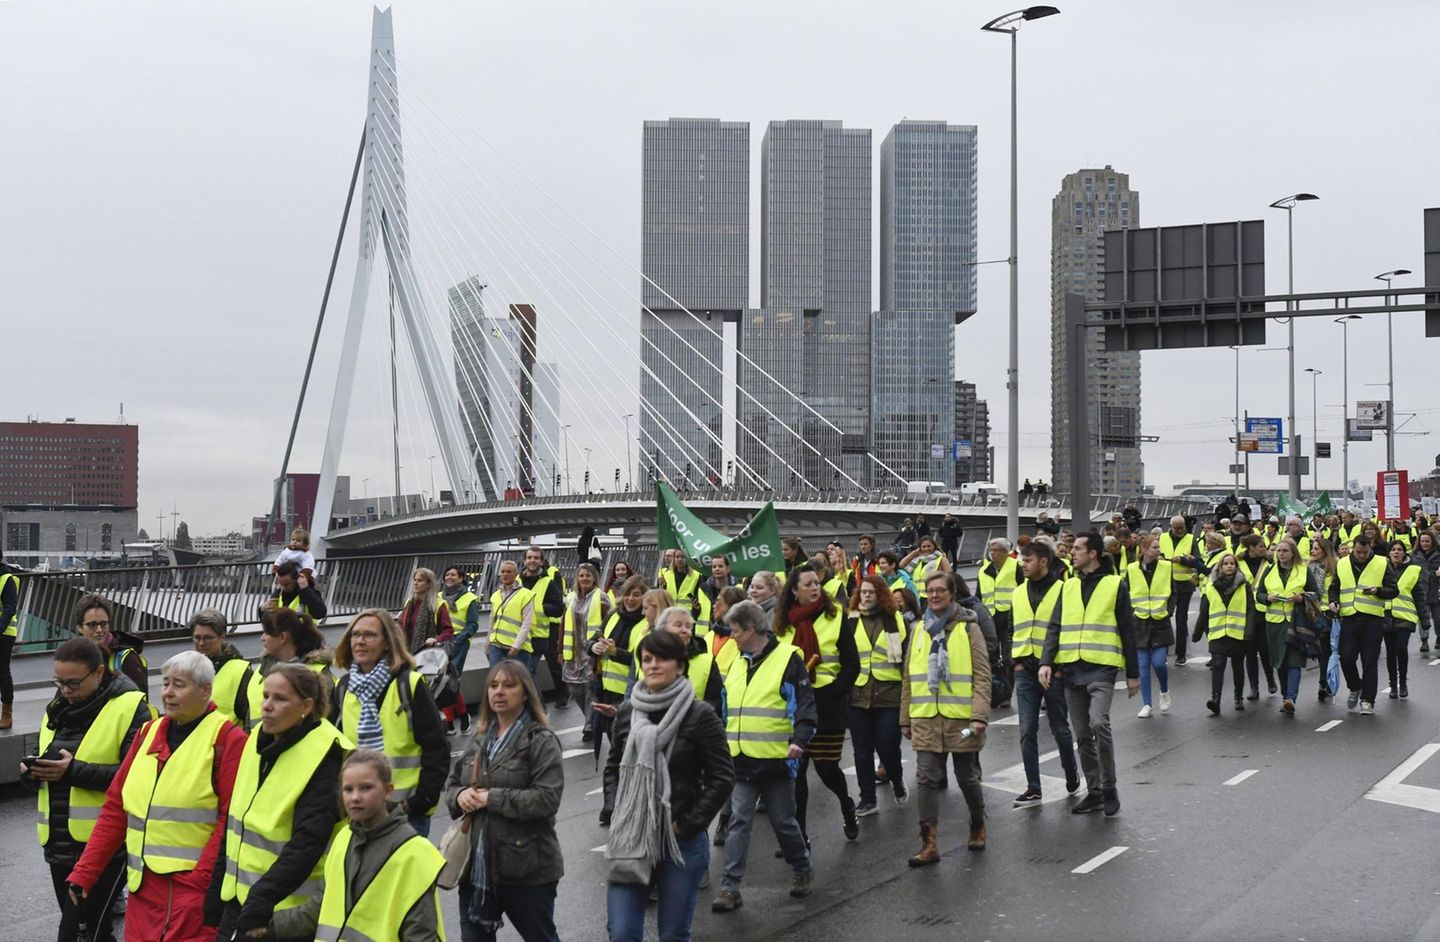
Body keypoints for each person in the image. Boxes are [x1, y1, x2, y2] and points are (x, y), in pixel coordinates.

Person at [69, 651, 247, 942]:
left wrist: (200, 883)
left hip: (191, 898)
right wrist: (85, 873)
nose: (168, 693)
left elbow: (231, 823)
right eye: (165, 684)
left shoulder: (228, 740)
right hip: (143, 893)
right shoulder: (147, 734)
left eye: (179, 684)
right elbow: (116, 808)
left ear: (205, 691)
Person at [605, 630, 734, 942]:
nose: (652, 665)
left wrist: (688, 823)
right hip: (632, 837)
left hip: (680, 842)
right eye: (646, 659)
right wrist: (615, 809)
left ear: (680, 665)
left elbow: (723, 776)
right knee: (621, 932)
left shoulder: (700, 714)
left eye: (661, 658)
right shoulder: (627, 712)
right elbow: (612, 768)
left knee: (674, 934)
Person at [210, 662, 348, 938]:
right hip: (240, 900)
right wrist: (216, 891)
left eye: (280, 699)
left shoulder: (325, 754)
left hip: (284, 912)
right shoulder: (258, 740)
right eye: (265, 696)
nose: (267, 706)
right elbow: (237, 820)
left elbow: (307, 843)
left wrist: (261, 900)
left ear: (306, 706)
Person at [26, 637, 150, 942]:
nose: (65, 690)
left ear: (98, 672)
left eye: (73, 683)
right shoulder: (57, 706)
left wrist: (72, 772)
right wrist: (31, 771)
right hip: (58, 843)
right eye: (59, 681)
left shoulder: (131, 706)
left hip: (106, 846)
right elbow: (44, 753)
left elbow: (137, 778)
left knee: (73, 934)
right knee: (94, 931)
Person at [268, 749, 444, 940]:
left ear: (388, 791)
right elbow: (319, 907)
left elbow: (420, 932)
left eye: (366, 788)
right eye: (348, 789)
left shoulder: (414, 853)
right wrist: (267, 927)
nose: (355, 797)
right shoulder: (343, 838)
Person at [447, 659, 564, 942]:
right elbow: (452, 786)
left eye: (509, 686)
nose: (499, 692)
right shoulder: (479, 739)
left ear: (525, 693)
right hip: (477, 869)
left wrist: (491, 798)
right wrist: (461, 796)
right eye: (493, 686)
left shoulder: (541, 740)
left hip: (526, 869)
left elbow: (546, 800)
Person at [712, 600, 816, 913]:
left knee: (783, 822)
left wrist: (799, 740)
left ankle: (801, 868)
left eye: (735, 630)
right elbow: (726, 709)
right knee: (739, 821)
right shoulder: (738, 662)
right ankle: (730, 887)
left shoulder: (788, 660)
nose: (731, 636)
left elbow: (805, 705)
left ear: (752, 629)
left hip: (776, 759)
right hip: (741, 759)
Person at [1038, 531, 1139, 817]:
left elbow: (1127, 631)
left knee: (1098, 724)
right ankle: (1094, 791)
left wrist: (1133, 673)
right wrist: (1047, 662)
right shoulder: (1067, 586)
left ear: (1093, 553)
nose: (1073, 552)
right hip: (1072, 669)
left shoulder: (1114, 584)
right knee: (1082, 734)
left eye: (1079, 549)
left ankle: (1109, 787)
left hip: (1102, 667)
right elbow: (1054, 627)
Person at [333, 608, 450, 837]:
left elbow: (436, 748)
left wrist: (419, 802)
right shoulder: (343, 687)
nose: (360, 641)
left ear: (387, 642)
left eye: (369, 635)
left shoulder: (410, 685)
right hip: (357, 811)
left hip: (405, 813)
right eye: (355, 635)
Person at [903, 571, 992, 864]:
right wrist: (905, 718)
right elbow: (908, 678)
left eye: (941, 590)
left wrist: (979, 715)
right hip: (926, 717)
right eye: (930, 591)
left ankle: (977, 823)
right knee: (926, 780)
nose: (935, 595)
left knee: (966, 777)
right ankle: (929, 843)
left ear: (952, 594)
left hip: (961, 718)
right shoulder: (917, 629)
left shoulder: (968, 629)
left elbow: (982, 675)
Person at [774, 565, 860, 846]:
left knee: (826, 769)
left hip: (827, 705)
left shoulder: (836, 616)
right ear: (794, 590)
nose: (814, 588)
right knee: (796, 775)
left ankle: (847, 804)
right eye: (808, 584)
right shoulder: (783, 624)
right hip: (794, 708)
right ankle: (799, 835)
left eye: (816, 583)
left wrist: (834, 692)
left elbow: (851, 665)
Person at [1008, 541, 1080, 804]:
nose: (1023, 566)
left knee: (1060, 727)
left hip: (1054, 670)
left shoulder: (1064, 589)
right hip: (1024, 668)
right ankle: (1033, 786)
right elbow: (1012, 628)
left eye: (1027, 561)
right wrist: (1014, 662)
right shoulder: (1018, 592)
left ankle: (1070, 770)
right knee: (1027, 728)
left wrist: (1061, 669)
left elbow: (1070, 629)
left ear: (1043, 561)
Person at [848, 575, 909, 814]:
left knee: (887, 745)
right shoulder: (851, 619)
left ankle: (896, 781)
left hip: (888, 693)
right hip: (858, 694)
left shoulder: (894, 619)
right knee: (861, 750)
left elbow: (902, 656)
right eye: (863, 591)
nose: (866, 595)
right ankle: (868, 799)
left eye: (871, 592)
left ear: (881, 594)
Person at [591, 577, 651, 796]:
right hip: (605, 687)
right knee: (613, 742)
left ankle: (623, 794)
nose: (630, 599)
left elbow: (641, 660)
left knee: (624, 747)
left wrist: (616, 652)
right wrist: (595, 646)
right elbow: (594, 638)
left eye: (636, 595)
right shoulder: (613, 615)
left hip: (628, 693)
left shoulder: (645, 624)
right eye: (627, 594)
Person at [1331, 534, 1398, 715]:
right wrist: (1333, 601)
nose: (1361, 556)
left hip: (1372, 619)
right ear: (1353, 548)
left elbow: (1394, 590)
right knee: (1346, 657)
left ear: (1370, 549)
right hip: (1349, 617)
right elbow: (1334, 587)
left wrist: (1379, 591)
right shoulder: (1342, 563)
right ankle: (1355, 686)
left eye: (1365, 552)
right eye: (1359, 552)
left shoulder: (1382, 563)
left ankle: (1368, 700)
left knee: (1369, 662)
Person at [1256, 538, 1321, 715]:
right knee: (1280, 661)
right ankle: (1286, 696)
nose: (1281, 554)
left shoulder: (1303, 571)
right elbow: (1259, 594)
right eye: (1278, 551)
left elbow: (1316, 594)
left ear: (1293, 553)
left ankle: (1291, 697)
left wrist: (1302, 599)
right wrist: (1267, 599)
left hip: (1297, 621)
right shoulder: (1269, 571)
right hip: (1275, 624)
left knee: (1294, 660)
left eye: (1285, 551)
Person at [244, 608, 336, 722]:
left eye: (267, 633)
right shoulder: (262, 668)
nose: (262, 638)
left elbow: (323, 720)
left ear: (282, 637)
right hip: (259, 739)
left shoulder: (319, 675)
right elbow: (250, 713)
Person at [1197, 553, 1252, 714]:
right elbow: (1205, 610)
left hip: (1237, 632)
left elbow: (1250, 609)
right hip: (1218, 632)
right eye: (1225, 564)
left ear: (1236, 566)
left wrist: (1248, 633)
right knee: (1218, 665)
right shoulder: (1211, 585)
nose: (1229, 566)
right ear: (1220, 567)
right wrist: (1197, 632)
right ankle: (1216, 700)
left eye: (1232, 564)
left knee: (1237, 666)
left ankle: (1238, 697)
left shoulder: (1244, 585)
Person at [562, 561, 612, 736]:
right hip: (573, 651)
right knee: (574, 688)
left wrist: (604, 644)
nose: (584, 579)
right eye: (581, 575)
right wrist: (560, 649)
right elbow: (563, 625)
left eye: (588, 576)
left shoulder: (602, 597)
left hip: (593, 650)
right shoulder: (570, 598)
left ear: (594, 578)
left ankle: (589, 725)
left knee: (590, 688)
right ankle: (591, 717)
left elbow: (610, 621)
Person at [1128, 535, 1175, 718]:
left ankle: (1164, 691)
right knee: (1143, 666)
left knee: (1159, 663)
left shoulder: (1166, 567)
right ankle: (1147, 704)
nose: (1158, 550)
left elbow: (1173, 592)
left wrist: (1169, 611)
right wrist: (1131, 612)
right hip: (1139, 622)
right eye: (1155, 547)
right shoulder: (1132, 569)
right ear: (1144, 550)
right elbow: (1126, 591)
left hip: (1160, 621)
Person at [189, 609, 254, 727]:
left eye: (208, 638)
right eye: (197, 638)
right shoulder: (187, 667)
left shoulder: (240, 672)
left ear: (222, 637)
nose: (201, 643)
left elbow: (248, 718)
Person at [73, 594, 148, 695]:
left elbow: (139, 704)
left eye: (104, 624)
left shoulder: (127, 659)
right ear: (80, 627)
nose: (99, 630)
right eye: (92, 625)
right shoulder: (74, 658)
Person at [655, 605, 723, 713]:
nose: (684, 630)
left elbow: (716, 702)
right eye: (678, 625)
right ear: (663, 629)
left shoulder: (707, 661)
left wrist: (692, 710)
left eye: (688, 626)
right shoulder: (650, 658)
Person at [520, 546, 567, 700]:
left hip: (545, 629)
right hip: (520, 633)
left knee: (552, 663)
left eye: (536, 558)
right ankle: (533, 706)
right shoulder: (517, 580)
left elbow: (559, 606)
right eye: (529, 558)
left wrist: (541, 608)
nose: (532, 561)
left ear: (541, 561)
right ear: (524, 560)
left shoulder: (550, 579)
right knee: (525, 670)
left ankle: (562, 694)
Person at [978, 539, 1019, 705]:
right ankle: (996, 692)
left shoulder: (1017, 567)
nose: (992, 553)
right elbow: (979, 596)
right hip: (990, 617)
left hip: (1010, 616)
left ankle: (1007, 694)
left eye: (996, 550)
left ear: (1005, 552)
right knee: (992, 657)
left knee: (1009, 658)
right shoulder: (984, 570)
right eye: (991, 550)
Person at [441, 564, 482, 733]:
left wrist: (459, 640)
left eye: (453, 575)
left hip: (459, 643)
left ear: (461, 578)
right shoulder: (438, 597)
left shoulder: (470, 599)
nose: (449, 577)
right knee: (443, 682)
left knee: (450, 681)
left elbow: (472, 625)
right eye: (447, 575)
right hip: (441, 643)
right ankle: (460, 717)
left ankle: (451, 722)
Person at [1236, 534, 1277, 699]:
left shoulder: (1268, 563)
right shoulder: (1238, 563)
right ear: (1251, 548)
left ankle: (1270, 679)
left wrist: (1271, 558)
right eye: (1261, 547)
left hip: (1263, 610)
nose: (1264, 550)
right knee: (1250, 652)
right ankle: (1254, 688)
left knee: (1265, 651)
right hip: (1245, 611)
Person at [1384, 540, 1425, 701]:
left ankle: (1403, 682)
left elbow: (1419, 596)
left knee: (1401, 647)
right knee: (1390, 652)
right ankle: (1393, 684)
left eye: (1399, 550)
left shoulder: (1413, 571)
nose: (1396, 552)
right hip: (1386, 615)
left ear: (1404, 553)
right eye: (1393, 549)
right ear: (1388, 553)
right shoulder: (1381, 570)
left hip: (1405, 617)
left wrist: (1424, 620)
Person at [1159, 515, 1200, 666]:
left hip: (1185, 585)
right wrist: (1160, 558)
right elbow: (1155, 553)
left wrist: (1183, 560)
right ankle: (1161, 653)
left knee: (1181, 621)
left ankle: (1180, 655)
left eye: (1182, 527)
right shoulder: (1162, 538)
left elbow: (1197, 559)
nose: (1179, 531)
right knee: (1162, 618)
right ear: (1170, 526)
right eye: (1176, 528)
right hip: (1166, 584)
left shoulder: (1190, 539)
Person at [489, 560, 535, 669]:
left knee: (518, 681)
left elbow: (527, 624)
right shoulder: (496, 595)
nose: (505, 574)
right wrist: (487, 645)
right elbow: (492, 622)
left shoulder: (525, 595)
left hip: (517, 647)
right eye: (503, 572)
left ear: (516, 575)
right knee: (496, 676)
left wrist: (516, 646)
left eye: (509, 572)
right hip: (496, 644)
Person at [1309, 539, 1340, 702]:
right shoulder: (1309, 568)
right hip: (1314, 614)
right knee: (1322, 650)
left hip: (1330, 614)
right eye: (1312, 549)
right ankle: (1324, 681)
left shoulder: (1335, 568)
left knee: (1328, 650)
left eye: (1316, 549)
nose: (1313, 552)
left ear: (1325, 551)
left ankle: (1325, 681)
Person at [398, 567, 455, 656]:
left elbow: (448, 631)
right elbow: (401, 625)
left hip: (428, 653)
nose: (415, 583)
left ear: (429, 584)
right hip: (406, 652)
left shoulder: (438, 605)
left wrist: (436, 640)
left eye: (419, 581)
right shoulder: (410, 603)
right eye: (415, 580)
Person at [262, 560, 327, 622]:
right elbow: (269, 621)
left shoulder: (309, 592)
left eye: (287, 584)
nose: (284, 587)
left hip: (305, 631)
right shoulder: (278, 593)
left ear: (297, 579)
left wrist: (305, 589)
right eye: (281, 584)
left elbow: (320, 613)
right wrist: (262, 610)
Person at [1412, 530, 1440, 655]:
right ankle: (1424, 641)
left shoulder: (1438, 554)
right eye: (1422, 541)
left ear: (1432, 542)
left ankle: (1439, 637)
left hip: (1436, 591)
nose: (1425, 544)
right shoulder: (1414, 555)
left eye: (1427, 541)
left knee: (1438, 618)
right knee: (1423, 618)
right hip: (1421, 592)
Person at [901, 536, 952, 602]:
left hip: (933, 597)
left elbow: (951, 578)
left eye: (929, 546)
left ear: (934, 547)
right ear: (920, 548)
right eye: (924, 547)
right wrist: (912, 555)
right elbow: (900, 567)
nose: (926, 548)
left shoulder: (941, 560)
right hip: (916, 597)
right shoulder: (916, 561)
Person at [0, 552, 18, 729]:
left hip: (5, 633)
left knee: (2, 672)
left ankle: (7, 713)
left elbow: (10, 607)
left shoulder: (6, 579)